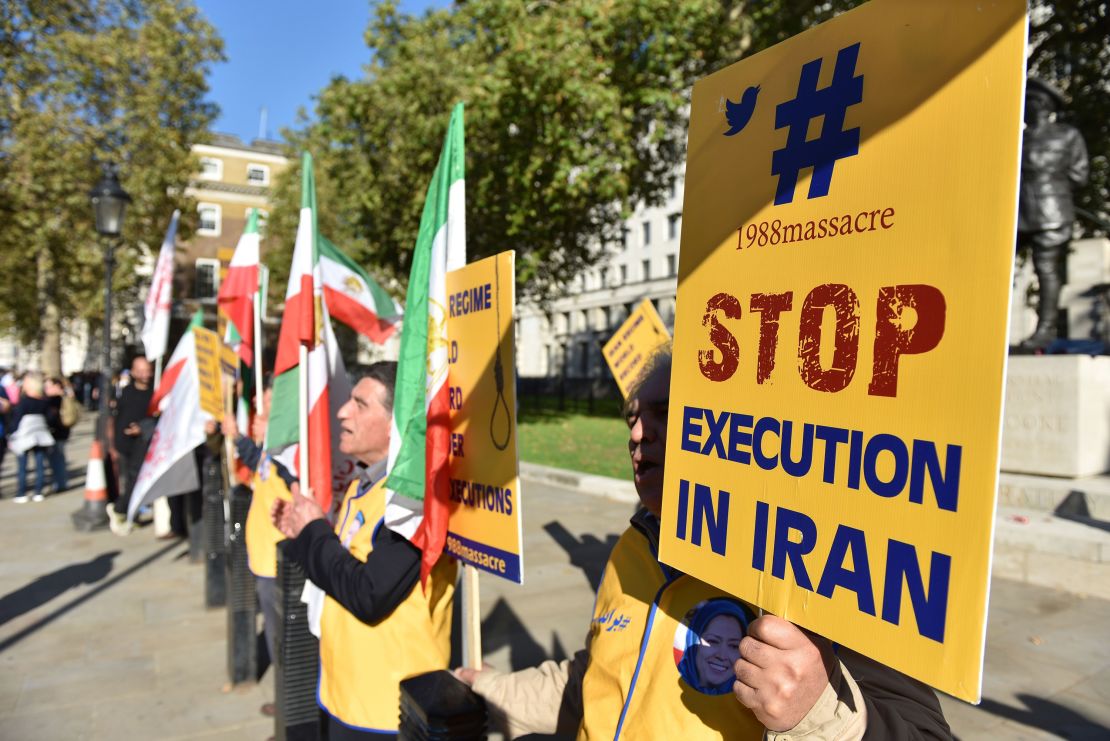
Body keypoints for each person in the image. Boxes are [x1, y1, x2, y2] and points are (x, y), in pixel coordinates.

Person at [458, 351, 950, 740]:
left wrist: (821, 717)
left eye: (663, 413)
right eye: (631, 417)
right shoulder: (632, 546)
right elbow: (596, 679)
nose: (636, 434)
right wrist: (490, 690)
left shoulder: (816, 565)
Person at [271, 362, 457, 738]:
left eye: (360, 404)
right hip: (347, 693)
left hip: (388, 709)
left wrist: (314, 532)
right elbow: (340, 569)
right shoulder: (364, 484)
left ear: (396, 423)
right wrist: (303, 535)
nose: (343, 411)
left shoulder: (413, 500)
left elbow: (368, 594)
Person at [1017, 77, 1090, 349]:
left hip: (1051, 212)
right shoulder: (1019, 137)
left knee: (1046, 268)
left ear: (1044, 105)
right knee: (998, 264)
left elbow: (1079, 175)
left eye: (1032, 102)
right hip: (1019, 211)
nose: (1027, 107)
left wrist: (1049, 184)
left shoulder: (1067, 135)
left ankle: (1045, 329)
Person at [107, 357, 155, 534]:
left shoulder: (153, 393)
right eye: (140, 371)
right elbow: (114, 419)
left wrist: (142, 428)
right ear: (133, 372)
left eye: (147, 370)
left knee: (137, 480)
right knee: (130, 480)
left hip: (142, 444)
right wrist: (112, 444)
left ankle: (127, 511)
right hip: (124, 444)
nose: (144, 374)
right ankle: (122, 510)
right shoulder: (126, 392)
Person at [8, 373, 56, 503]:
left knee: (22, 466)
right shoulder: (44, 402)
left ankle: (21, 493)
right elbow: (50, 418)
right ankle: (38, 491)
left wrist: (11, 433)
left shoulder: (24, 402)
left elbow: (16, 421)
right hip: (40, 436)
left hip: (25, 436)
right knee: (39, 465)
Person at [44, 376, 74, 494]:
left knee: (57, 458)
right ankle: (60, 482)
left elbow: (52, 417)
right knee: (59, 458)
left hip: (56, 432)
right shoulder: (65, 397)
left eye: (49, 386)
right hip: (61, 432)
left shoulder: (55, 400)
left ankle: (59, 483)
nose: (46, 389)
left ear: (56, 386)